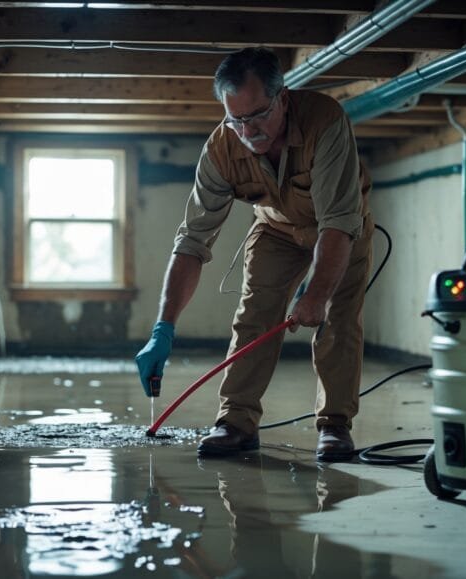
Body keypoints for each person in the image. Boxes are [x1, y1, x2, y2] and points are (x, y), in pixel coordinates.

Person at [135, 47, 373, 461]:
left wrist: (315, 294)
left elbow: (337, 222)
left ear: (282, 98)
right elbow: (192, 241)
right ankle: (236, 422)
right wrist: (163, 328)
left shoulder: (325, 122)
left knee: (336, 316)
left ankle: (335, 427)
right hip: (276, 227)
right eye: (236, 119)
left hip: (339, 228)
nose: (248, 131)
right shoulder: (221, 150)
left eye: (258, 115)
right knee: (254, 315)